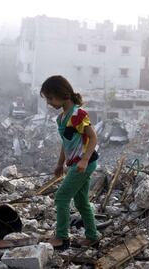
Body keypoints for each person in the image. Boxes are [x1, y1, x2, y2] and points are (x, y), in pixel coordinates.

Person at [40, 75, 99, 250]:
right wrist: (60, 164)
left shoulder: (78, 114)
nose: (49, 102)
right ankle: (92, 237)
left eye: (50, 98)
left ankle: (62, 237)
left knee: (61, 197)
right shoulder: (61, 118)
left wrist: (84, 160)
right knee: (81, 203)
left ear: (63, 94)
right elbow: (66, 144)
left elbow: (93, 138)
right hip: (76, 164)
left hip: (85, 163)